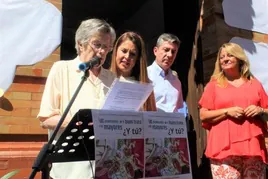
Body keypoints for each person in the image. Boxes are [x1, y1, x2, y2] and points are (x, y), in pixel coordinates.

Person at [37, 18, 116, 179]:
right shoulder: (62, 69)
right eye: (97, 44)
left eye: (107, 47)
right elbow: (46, 118)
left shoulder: (112, 79)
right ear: (80, 44)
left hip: (105, 169)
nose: (102, 52)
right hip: (70, 171)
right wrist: (78, 123)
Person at [199, 42, 268, 178]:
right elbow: (203, 115)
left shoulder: (254, 84)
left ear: (239, 58)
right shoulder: (213, 85)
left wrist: (259, 110)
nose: (225, 59)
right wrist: (226, 111)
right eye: (221, 57)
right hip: (223, 148)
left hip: (253, 147)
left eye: (230, 55)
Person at [110, 31, 156, 111]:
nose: (127, 57)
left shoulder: (145, 86)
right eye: (124, 51)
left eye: (133, 54)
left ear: (137, 59)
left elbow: (151, 117)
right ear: (116, 51)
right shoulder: (104, 79)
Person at [147, 33, 183, 112]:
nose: (170, 55)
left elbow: (178, 109)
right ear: (155, 51)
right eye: (166, 50)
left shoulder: (177, 82)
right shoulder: (145, 75)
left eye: (173, 52)